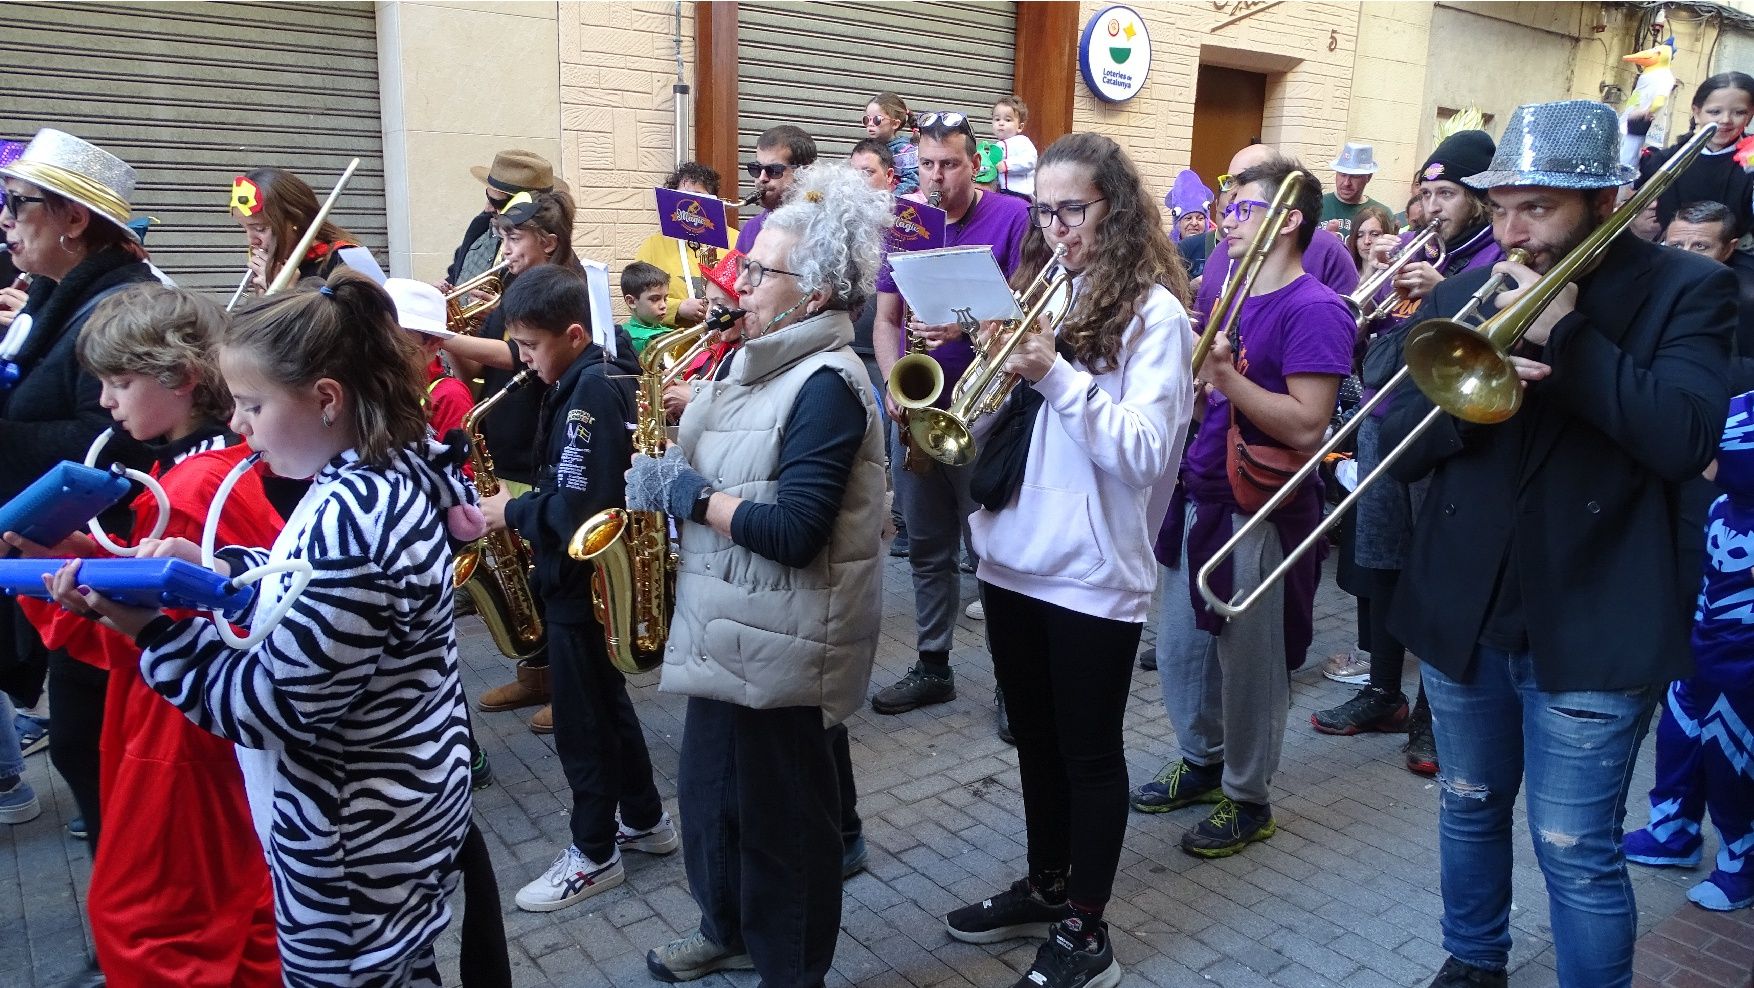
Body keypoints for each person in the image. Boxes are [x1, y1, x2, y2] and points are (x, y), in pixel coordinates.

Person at [1380, 99, 1736, 988]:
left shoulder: (1687, 289)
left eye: (1535, 208)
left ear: (1605, 199)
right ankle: (1473, 962)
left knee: (1574, 844)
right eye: (1500, 207)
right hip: (1469, 606)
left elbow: (1685, 439)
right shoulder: (1473, 287)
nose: (1512, 231)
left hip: (1594, 615)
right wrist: (1473, 403)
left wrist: (1569, 343)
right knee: (1466, 804)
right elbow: (1398, 444)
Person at [84, 271, 480, 986]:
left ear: (326, 399)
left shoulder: (351, 517)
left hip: (352, 837)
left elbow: (272, 708)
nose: (237, 426)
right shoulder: (373, 478)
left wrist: (155, 635)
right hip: (388, 814)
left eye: (253, 406)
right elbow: (301, 582)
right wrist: (213, 568)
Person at [942, 132, 1193, 988]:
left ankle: (1088, 931)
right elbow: (1017, 433)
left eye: (1072, 211)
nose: (1055, 229)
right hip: (1013, 556)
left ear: (1114, 209)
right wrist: (993, 368)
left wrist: (1050, 372)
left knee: (1088, 754)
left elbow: (1142, 452)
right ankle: (1048, 884)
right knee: (1036, 745)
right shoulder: (1047, 293)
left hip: (1091, 572)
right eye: (1044, 212)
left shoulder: (1156, 316)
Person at [633, 161, 888, 988]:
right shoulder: (756, 361)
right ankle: (727, 928)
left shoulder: (828, 385)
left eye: (757, 271)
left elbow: (796, 529)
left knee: (785, 830)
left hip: (787, 645)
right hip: (726, 625)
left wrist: (692, 496)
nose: (736, 282)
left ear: (813, 295)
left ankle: (792, 970)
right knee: (711, 805)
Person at [6, 283, 283, 987]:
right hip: (195, 729)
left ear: (180, 377)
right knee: (235, 911)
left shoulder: (193, 491)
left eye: (119, 382)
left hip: (178, 736)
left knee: (156, 922)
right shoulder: (207, 471)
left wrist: (55, 581)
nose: (105, 402)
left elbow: (165, 637)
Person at [1132, 157, 1354, 860]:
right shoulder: (1225, 282)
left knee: (1250, 664)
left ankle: (1248, 798)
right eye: (1229, 208)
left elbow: (1307, 425)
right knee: (1181, 648)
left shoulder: (1315, 307)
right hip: (1200, 490)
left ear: (1287, 221)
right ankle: (1202, 761)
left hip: (1259, 504)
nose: (1226, 219)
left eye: (1242, 209)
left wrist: (1225, 375)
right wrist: (1202, 390)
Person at [473, 264, 676, 913]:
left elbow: (577, 506)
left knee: (582, 727)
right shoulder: (585, 378)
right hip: (591, 585)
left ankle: (593, 853)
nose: (525, 362)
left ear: (573, 333)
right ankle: (644, 821)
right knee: (606, 704)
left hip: (581, 581)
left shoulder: (588, 394)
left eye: (531, 348)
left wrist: (513, 513)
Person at [1314, 130, 1505, 778]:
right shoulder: (1427, 250)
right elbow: (1368, 343)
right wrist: (1375, 290)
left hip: (1443, 433)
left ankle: (1429, 714)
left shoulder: (1498, 259)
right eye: (1426, 193)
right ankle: (1383, 691)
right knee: (1382, 565)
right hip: (1384, 419)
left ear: (1481, 196)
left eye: (1446, 193)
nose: (1432, 207)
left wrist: (1441, 288)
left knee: (1432, 569)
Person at [0, 128, 158, 882]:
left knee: (95, 748)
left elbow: (117, 439)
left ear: (73, 221)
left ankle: (140, 925)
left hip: (106, 567)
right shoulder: (58, 292)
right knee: (82, 744)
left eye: (18, 202)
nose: (5, 217)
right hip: (67, 564)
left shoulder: (117, 302)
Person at [866, 110, 1030, 733]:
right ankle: (933, 665)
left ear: (975, 162)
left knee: (994, 549)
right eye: (928, 164)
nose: (939, 178)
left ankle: (1013, 681)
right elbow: (885, 321)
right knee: (929, 546)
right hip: (922, 408)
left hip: (986, 410)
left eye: (951, 164)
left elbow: (1026, 314)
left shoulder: (1011, 219)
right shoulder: (905, 222)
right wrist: (892, 384)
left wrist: (965, 323)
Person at [446, 191, 582, 729]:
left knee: (552, 573)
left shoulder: (563, 292)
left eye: (513, 237)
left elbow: (512, 353)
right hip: (502, 443)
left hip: (535, 445)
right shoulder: (510, 285)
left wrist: (444, 335)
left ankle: (570, 688)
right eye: (501, 236)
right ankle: (536, 675)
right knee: (522, 575)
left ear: (548, 241)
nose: (504, 249)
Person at [1623, 389, 1754, 914]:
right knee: (1677, 735)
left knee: (1730, 760)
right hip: (1703, 646)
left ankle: (1741, 859)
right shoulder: (1724, 502)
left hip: (1744, 670)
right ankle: (1673, 827)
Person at [229, 167, 385, 297]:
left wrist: (285, 295)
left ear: (296, 219)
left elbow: (381, 327)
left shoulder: (351, 259)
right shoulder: (277, 266)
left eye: (260, 229)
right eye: (244, 228)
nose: (251, 240)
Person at [1638, 72, 1754, 236]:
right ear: (1697, 112)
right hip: (1672, 253)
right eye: (1715, 112)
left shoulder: (1750, 161)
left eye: (1739, 112)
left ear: (1750, 116)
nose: (1725, 120)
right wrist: (1635, 135)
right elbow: (1627, 185)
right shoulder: (1672, 158)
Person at [632, 161, 740, 328]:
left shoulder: (736, 240)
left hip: (726, 339)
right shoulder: (654, 245)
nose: (690, 204)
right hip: (675, 344)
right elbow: (636, 299)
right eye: (683, 196)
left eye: (697, 195)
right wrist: (677, 308)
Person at [441, 149, 564, 294]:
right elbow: (457, 270)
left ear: (523, 204)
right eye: (488, 195)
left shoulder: (547, 253)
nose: (487, 207)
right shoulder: (481, 223)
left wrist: (496, 313)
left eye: (496, 202)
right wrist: (444, 288)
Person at [384, 278, 475, 440]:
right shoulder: (384, 382)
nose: (384, 348)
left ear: (434, 342)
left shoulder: (451, 395)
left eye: (398, 341)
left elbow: (462, 465)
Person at [736, 125, 818, 255]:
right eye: (756, 168)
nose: (762, 178)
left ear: (804, 172)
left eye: (774, 170)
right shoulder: (751, 228)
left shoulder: (821, 228)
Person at [1320, 141, 1390, 237]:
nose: (1346, 183)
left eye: (1355, 176)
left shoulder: (1383, 214)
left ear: (1368, 177)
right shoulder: (1316, 205)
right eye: (1342, 174)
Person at [865, 92, 919, 195]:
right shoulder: (867, 148)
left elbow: (912, 180)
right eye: (867, 119)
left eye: (877, 120)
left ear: (895, 124)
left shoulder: (904, 150)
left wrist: (892, 199)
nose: (870, 124)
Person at [992, 95, 1038, 198]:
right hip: (1001, 193)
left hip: (1020, 194)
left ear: (1020, 127)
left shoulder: (1022, 142)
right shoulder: (995, 147)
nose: (1001, 123)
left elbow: (1030, 161)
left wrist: (1007, 166)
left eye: (1008, 120)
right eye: (997, 119)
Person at [620, 260, 671, 353]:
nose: (663, 305)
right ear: (631, 301)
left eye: (665, 299)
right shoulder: (644, 341)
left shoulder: (623, 331)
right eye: (655, 299)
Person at [1346, 205, 1395, 274]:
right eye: (1360, 235)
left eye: (1374, 234)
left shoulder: (1396, 274)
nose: (1366, 241)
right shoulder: (1345, 273)